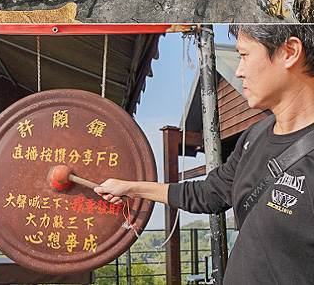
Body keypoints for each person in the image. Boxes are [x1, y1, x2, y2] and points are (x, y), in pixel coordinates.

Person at [95, 25, 314, 285]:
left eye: (244, 55)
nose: (238, 71)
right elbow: (207, 194)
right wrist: (131, 188)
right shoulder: (255, 135)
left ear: (290, 52)